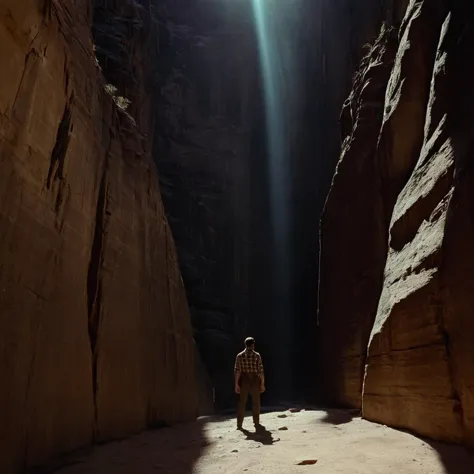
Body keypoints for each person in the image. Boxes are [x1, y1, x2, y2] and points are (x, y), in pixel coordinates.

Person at [234, 337, 265, 430]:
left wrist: (236, 384)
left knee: (242, 402)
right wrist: (262, 383)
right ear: (253, 345)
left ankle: (239, 424)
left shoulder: (239, 356)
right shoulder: (257, 355)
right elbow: (260, 371)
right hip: (255, 380)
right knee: (256, 402)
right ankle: (256, 422)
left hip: (245, 380)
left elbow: (237, 371)